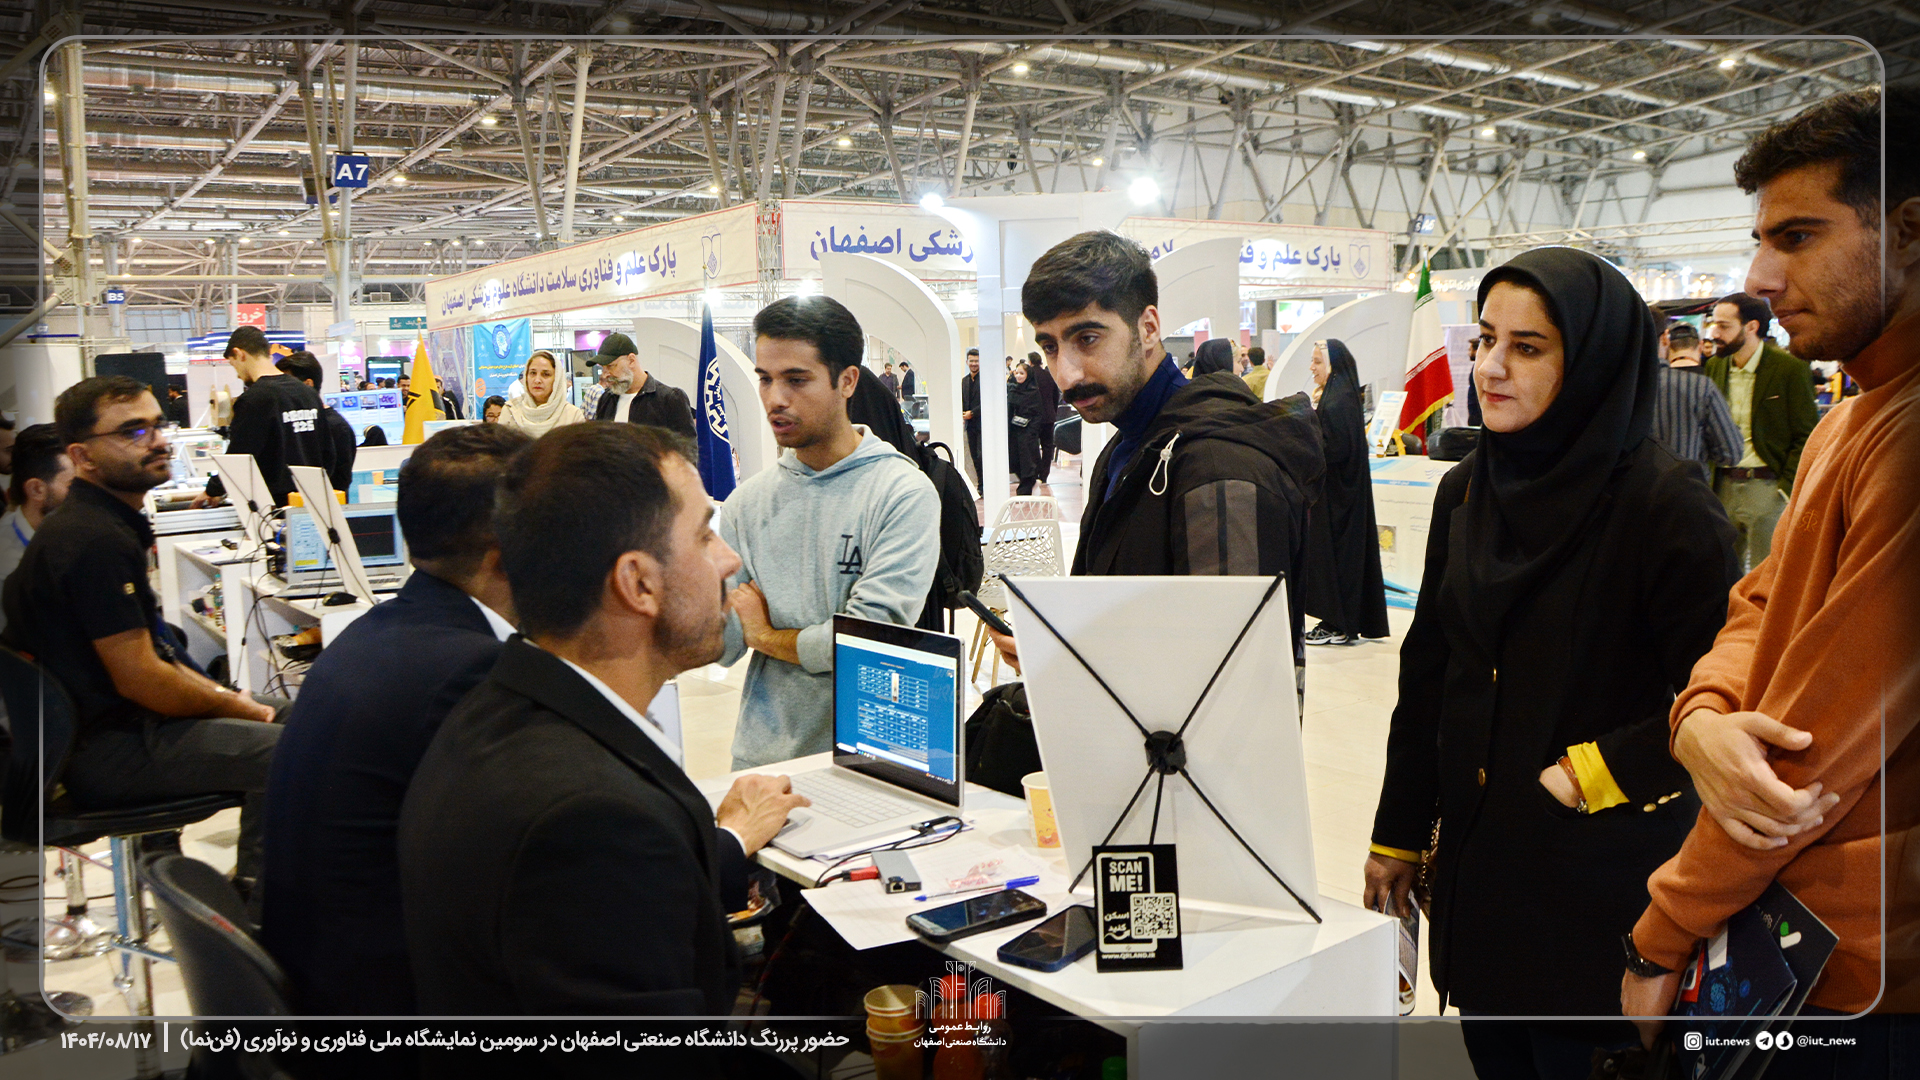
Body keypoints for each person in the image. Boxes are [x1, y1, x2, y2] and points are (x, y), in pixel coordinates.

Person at [1362, 249, 1739, 1065]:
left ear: (1594, 361)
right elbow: (1430, 676)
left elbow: (1723, 698)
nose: (1490, 367)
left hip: (1603, 896)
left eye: (1527, 347)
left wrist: (1587, 774)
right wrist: (1397, 834)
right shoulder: (1468, 490)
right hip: (1481, 885)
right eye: (1485, 340)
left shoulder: (1666, 509)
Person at [1624, 87, 1920, 1044]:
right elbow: (1759, 605)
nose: (1759, 276)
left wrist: (1660, 936)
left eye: (1797, 238)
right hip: (1794, 942)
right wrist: (1702, 717)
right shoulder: (1851, 417)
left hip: (1867, 978)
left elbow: (1808, 757)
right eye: (1762, 240)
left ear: (1909, 230)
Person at [397, 424, 810, 1014]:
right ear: (638, 583)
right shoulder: (596, 820)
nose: (729, 560)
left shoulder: (493, 713)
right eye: (703, 536)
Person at [262, 424, 531, 1017]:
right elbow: (541, 863)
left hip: (321, 979)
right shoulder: (468, 670)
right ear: (510, 550)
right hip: (390, 1011)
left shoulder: (379, 633)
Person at [987, 231, 1324, 689]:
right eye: (1050, 347)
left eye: (1087, 338)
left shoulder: (1221, 467)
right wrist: (1057, 646)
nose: (1066, 373)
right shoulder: (1126, 449)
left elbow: (1232, 686)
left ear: (1147, 328)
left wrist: (1063, 659)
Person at [1, 378, 284, 888]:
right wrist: (235, 705)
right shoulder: (92, 540)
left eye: (157, 425)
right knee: (301, 751)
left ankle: (257, 884)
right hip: (104, 751)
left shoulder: (101, 523)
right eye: (132, 431)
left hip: (111, 729)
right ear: (82, 457)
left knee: (310, 718)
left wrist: (231, 699)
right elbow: (142, 678)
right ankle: (266, 904)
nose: (156, 441)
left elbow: (158, 656)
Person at [718, 296, 940, 768]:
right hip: (763, 761)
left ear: (847, 381)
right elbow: (723, 643)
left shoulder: (901, 492)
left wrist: (766, 635)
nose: (775, 399)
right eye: (765, 379)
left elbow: (867, 639)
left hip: (873, 758)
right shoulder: (746, 504)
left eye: (796, 380)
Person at [1702, 291, 1819, 570]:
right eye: (1714, 325)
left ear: (1751, 327)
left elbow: (1807, 433)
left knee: (1766, 574)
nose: (1714, 333)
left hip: (1767, 487)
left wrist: (1785, 490)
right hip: (1722, 486)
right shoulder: (1716, 366)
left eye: (1724, 326)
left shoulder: (1789, 369)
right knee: (1721, 571)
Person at [1300, 340, 1389, 647]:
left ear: (1333, 365)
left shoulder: (1337, 402)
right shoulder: (1339, 396)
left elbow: (1335, 448)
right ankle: (1338, 622)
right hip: (1339, 497)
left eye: (1317, 361)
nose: (1312, 367)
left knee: (1336, 562)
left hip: (1338, 501)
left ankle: (1337, 623)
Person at [196, 325, 334, 508]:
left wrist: (212, 490)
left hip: (272, 509)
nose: (237, 375)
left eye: (233, 364)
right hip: (315, 503)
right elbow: (329, 454)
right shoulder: (308, 393)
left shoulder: (254, 399)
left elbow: (238, 459)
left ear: (239, 354)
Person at [0, 424, 73, 629]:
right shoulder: (8, 568)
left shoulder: (66, 536)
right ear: (36, 490)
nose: (88, 496)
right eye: (75, 486)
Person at [1649, 346, 1743, 484]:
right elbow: (1731, 453)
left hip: (1632, 491)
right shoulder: (1701, 386)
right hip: (1690, 488)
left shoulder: (1625, 385)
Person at [275, 349, 357, 494]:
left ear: (308, 384)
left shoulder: (336, 426)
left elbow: (339, 483)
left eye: (288, 384)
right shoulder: (291, 421)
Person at [591, 332, 697, 439]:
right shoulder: (606, 399)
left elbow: (687, 446)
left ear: (631, 360)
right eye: (603, 368)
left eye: (610, 366)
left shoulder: (670, 399)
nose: (605, 374)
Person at [498, 350, 587, 438]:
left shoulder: (573, 415)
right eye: (533, 373)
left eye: (546, 374)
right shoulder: (511, 410)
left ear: (557, 379)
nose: (537, 380)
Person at [1005, 357, 1048, 496]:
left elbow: (1038, 414)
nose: (1018, 376)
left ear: (1028, 375)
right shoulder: (1013, 390)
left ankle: (1026, 485)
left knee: (1027, 461)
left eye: (1022, 373)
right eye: (1016, 373)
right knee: (1015, 460)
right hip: (1014, 431)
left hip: (1028, 432)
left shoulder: (1034, 392)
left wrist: (1031, 431)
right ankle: (1027, 481)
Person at [1027, 349, 1060, 489]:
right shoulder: (1049, 374)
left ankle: (1036, 471)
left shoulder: (1029, 376)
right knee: (1047, 446)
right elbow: (1056, 395)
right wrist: (1053, 411)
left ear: (1030, 362)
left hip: (1033, 417)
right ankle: (1044, 474)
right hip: (1049, 416)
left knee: (1033, 446)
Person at [960, 348, 982, 484]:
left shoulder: (985, 380)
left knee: (981, 455)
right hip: (970, 425)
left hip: (982, 423)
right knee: (974, 456)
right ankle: (979, 484)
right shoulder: (964, 381)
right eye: (971, 361)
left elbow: (987, 402)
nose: (974, 363)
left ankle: (985, 484)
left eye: (977, 361)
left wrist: (972, 413)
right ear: (967, 362)